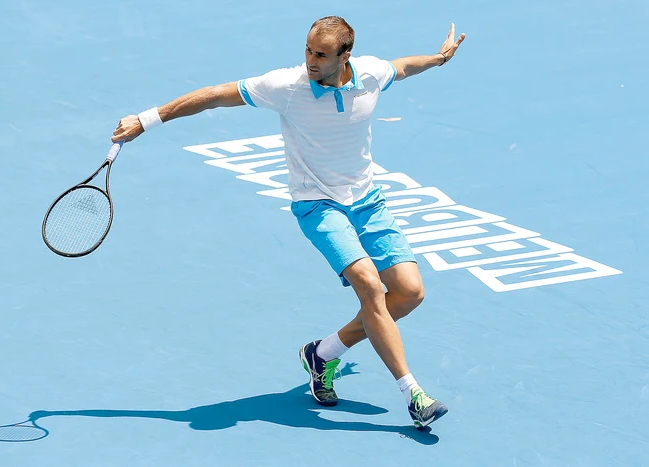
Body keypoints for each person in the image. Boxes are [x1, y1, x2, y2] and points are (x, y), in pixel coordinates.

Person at [112, 16, 465, 429]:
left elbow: (402, 67)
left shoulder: (370, 74)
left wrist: (438, 59)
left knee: (408, 294)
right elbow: (213, 95)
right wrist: (147, 118)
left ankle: (323, 354)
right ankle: (413, 394)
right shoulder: (287, 87)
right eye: (308, 50)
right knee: (370, 286)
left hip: (368, 201)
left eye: (321, 54)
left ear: (345, 56)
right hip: (317, 205)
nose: (311, 61)